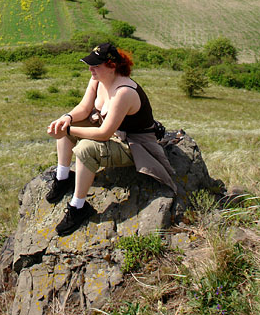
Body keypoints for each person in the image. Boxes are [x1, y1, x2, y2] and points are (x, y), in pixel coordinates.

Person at [46, 42, 177, 236]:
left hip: (133, 144)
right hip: (111, 132)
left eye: (96, 65)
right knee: (64, 126)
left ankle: (78, 207)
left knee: (84, 148)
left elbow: (104, 134)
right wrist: (67, 119)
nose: (91, 69)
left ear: (112, 66)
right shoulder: (97, 80)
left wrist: (69, 131)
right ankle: (63, 178)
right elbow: (83, 108)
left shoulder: (124, 92)